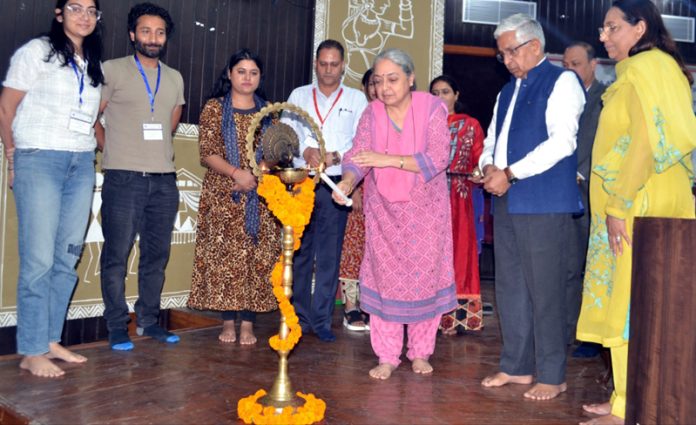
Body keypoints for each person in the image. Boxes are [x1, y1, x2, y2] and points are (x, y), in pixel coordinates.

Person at [576, 2, 696, 423]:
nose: (604, 36)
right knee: (627, 301)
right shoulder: (647, 71)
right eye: (603, 28)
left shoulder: (647, 69)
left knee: (630, 304)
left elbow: (645, 144)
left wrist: (619, 204)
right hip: (648, 201)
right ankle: (624, 397)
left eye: (612, 27)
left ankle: (629, 407)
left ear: (640, 27)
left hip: (641, 204)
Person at [477, 13, 586, 400]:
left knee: (547, 290)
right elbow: (492, 139)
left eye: (511, 51)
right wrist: (487, 165)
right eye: (502, 54)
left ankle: (553, 374)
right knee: (510, 289)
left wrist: (509, 172)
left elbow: (562, 143)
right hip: (506, 201)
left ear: (535, 47)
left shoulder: (563, 81)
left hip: (543, 202)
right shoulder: (508, 90)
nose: (506, 60)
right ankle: (517, 367)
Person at [334, 48, 457, 380]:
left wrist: (387, 159)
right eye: (378, 81)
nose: (384, 88)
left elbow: (437, 157)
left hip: (426, 214)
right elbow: (359, 155)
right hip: (383, 214)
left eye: (393, 79)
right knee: (384, 281)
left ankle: (420, 353)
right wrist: (347, 181)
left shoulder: (432, 109)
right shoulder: (371, 114)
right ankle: (387, 356)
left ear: (410, 78)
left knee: (423, 281)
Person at [0, 0, 104, 377]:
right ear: (59, 14)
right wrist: (13, 158)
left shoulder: (92, 63)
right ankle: (29, 349)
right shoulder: (36, 51)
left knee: (66, 259)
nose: (84, 16)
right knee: (39, 260)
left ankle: (48, 339)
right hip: (39, 158)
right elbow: (6, 107)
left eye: (92, 10)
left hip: (81, 165)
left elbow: (92, 119)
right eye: (75, 8)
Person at [96, 2, 185, 351]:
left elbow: (172, 120)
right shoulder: (111, 70)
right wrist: (112, 151)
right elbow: (93, 117)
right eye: (146, 31)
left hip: (164, 180)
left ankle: (148, 321)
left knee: (156, 255)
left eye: (160, 32)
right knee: (116, 255)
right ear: (133, 34)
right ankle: (117, 325)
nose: (153, 37)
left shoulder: (174, 77)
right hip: (123, 178)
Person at [186, 49, 281, 344]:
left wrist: (257, 173)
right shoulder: (214, 108)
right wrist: (236, 174)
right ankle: (228, 323)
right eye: (241, 71)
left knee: (255, 258)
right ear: (229, 74)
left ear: (259, 77)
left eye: (253, 72)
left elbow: (276, 151)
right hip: (223, 195)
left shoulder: (269, 112)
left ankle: (249, 325)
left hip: (260, 195)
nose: (247, 78)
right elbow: (207, 152)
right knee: (226, 260)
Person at [281, 39, 368, 342]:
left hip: (336, 184)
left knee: (330, 254)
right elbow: (285, 134)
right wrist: (304, 150)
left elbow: (362, 140)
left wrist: (336, 156)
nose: (328, 70)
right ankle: (300, 318)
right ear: (315, 64)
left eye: (334, 64)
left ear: (343, 65)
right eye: (323, 64)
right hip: (302, 182)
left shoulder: (357, 99)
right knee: (302, 253)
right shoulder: (299, 95)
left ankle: (321, 321)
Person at [562, 42, 607, 358]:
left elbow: (603, 144)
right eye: (565, 65)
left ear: (594, 64)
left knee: (590, 267)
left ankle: (591, 337)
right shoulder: (560, 98)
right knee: (564, 266)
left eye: (576, 64)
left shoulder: (606, 98)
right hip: (560, 194)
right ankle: (565, 331)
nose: (570, 70)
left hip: (591, 193)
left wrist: (579, 174)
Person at [429, 75, 484, 334]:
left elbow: (481, 160)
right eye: (435, 93)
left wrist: (479, 172)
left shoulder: (471, 125)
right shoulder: (423, 124)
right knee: (430, 255)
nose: (440, 97)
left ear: (456, 95)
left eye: (446, 92)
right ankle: (425, 319)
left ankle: (453, 319)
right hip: (428, 197)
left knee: (459, 255)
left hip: (459, 197)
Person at [339, 68, 375, 332]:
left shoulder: (400, 116)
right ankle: (351, 306)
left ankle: (373, 306)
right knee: (354, 248)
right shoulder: (361, 115)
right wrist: (357, 188)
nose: (378, 88)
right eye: (372, 83)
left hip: (387, 198)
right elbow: (352, 153)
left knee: (379, 253)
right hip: (360, 190)